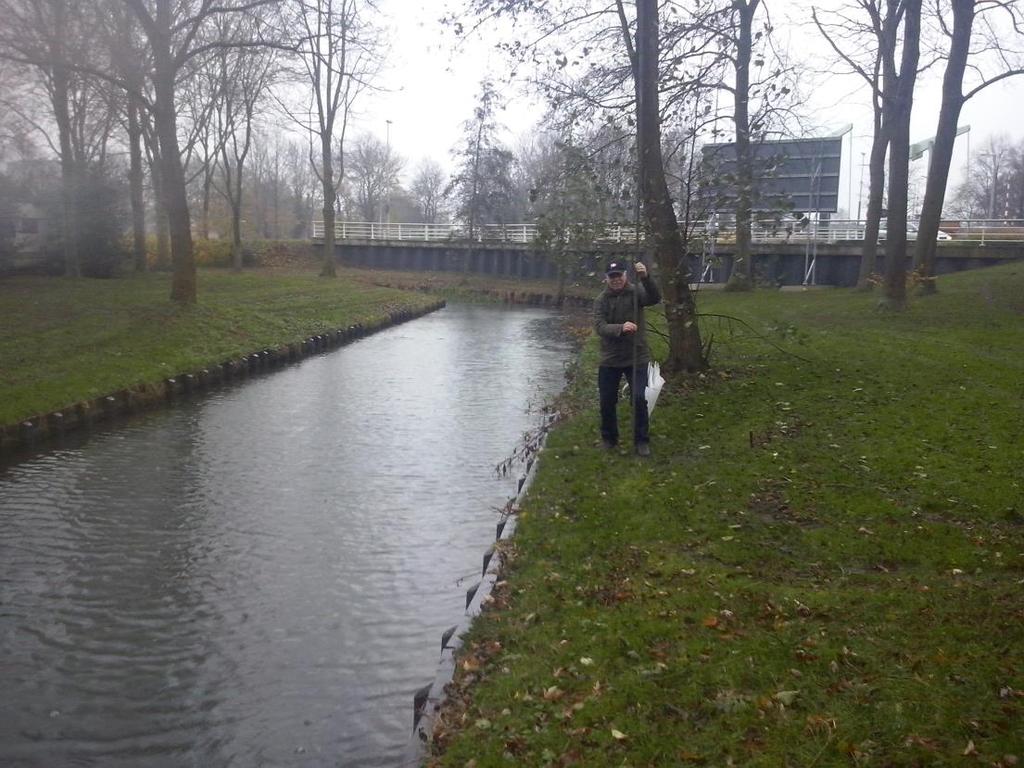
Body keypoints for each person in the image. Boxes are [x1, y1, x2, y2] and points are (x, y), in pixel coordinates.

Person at [593, 259, 662, 457]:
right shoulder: (601, 300)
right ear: (606, 279)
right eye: (612, 277)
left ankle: (641, 440)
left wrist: (646, 278)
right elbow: (599, 326)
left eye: (619, 276)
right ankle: (609, 438)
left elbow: (655, 298)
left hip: (636, 356)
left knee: (639, 399)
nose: (616, 280)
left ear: (626, 276)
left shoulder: (636, 293)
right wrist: (620, 329)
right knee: (607, 400)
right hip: (610, 358)